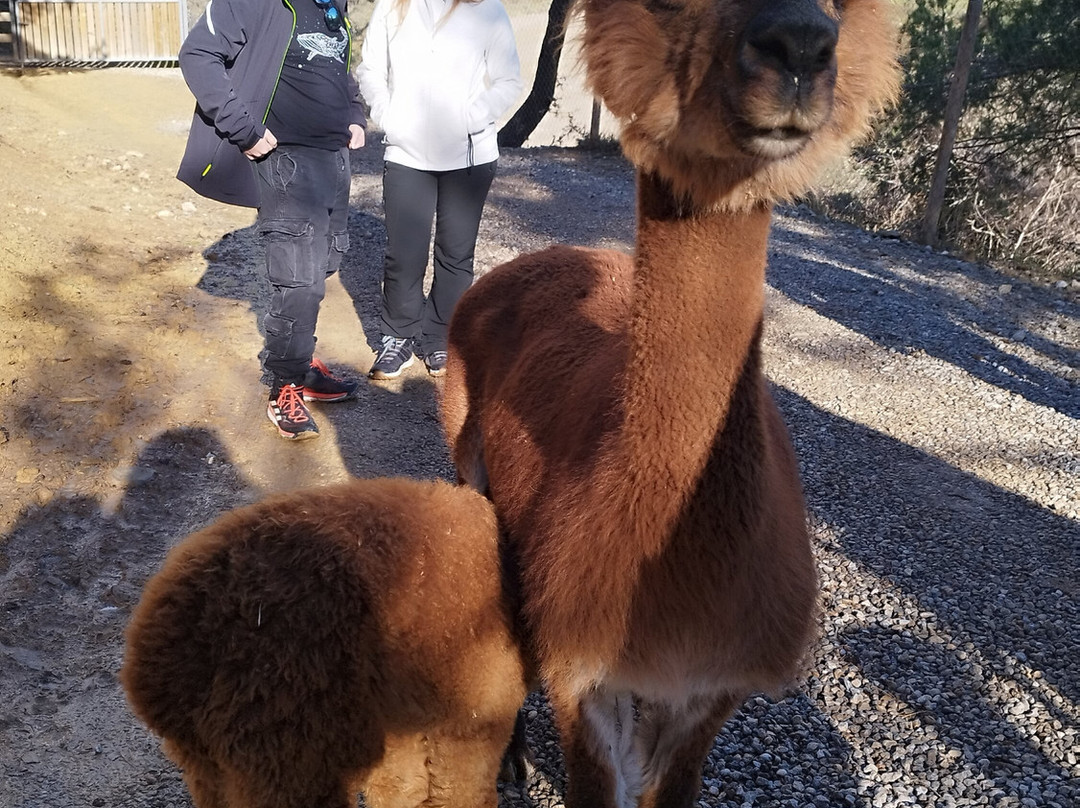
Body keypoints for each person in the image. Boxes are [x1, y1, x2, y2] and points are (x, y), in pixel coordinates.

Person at [176, 0, 368, 440]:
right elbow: (198, 54)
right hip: (285, 160)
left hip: (333, 160)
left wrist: (355, 114)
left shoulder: (331, 4)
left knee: (324, 266)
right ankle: (284, 385)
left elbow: (339, 69)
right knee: (298, 281)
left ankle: (300, 363)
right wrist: (242, 128)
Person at [357, 0, 522, 379]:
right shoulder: (390, 8)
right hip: (407, 153)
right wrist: (389, 117)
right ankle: (397, 337)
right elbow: (370, 71)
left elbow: (508, 80)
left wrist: (471, 118)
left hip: (469, 155)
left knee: (455, 254)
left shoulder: (487, 10)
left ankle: (439, 337)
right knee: (404, 253)